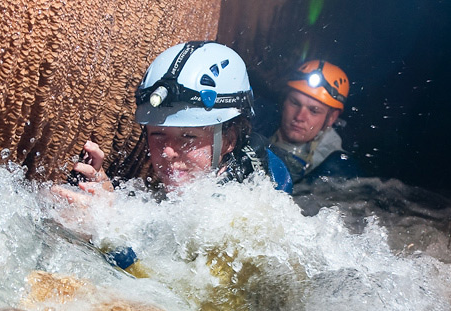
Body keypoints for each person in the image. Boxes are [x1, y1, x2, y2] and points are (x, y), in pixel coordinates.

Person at [53, 40, 292, 271]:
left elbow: (192, 299)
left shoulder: (247, 209)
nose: (167, 151)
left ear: (228, 140)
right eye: (157, 134)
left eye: (188, 137)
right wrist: (110, 200)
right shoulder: (205, 178)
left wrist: (106, 233)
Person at [267, 59, 363, 183]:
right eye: (295, 103)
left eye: (314, 111)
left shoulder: (336, 170)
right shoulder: (257, 123)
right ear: (284, 101)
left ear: (332, 118)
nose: (300, 117)